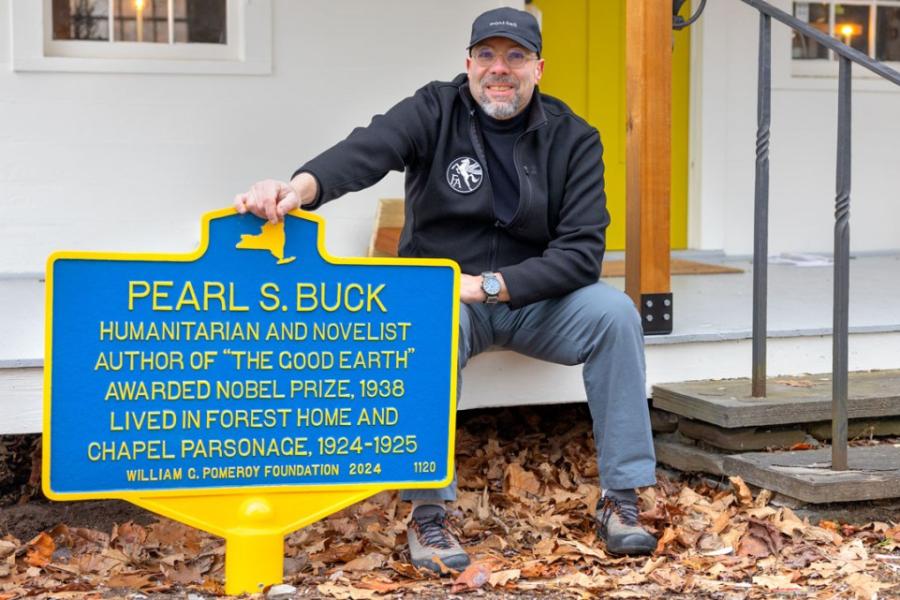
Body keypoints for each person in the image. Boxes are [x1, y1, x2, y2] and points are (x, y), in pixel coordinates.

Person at [234, 6, 658, 572]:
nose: (499, 69)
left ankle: (622, 500)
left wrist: (489, 286)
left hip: (532, 299)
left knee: (616, 315)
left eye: (515, 56)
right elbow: (367, 149)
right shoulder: (434, 108)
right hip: (443, 300)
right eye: (487, 55)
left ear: (539, 68)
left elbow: (582, 254)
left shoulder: (575, 138)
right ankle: (430, 516)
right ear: (468, 63)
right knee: (429, 328)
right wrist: (298, 187)